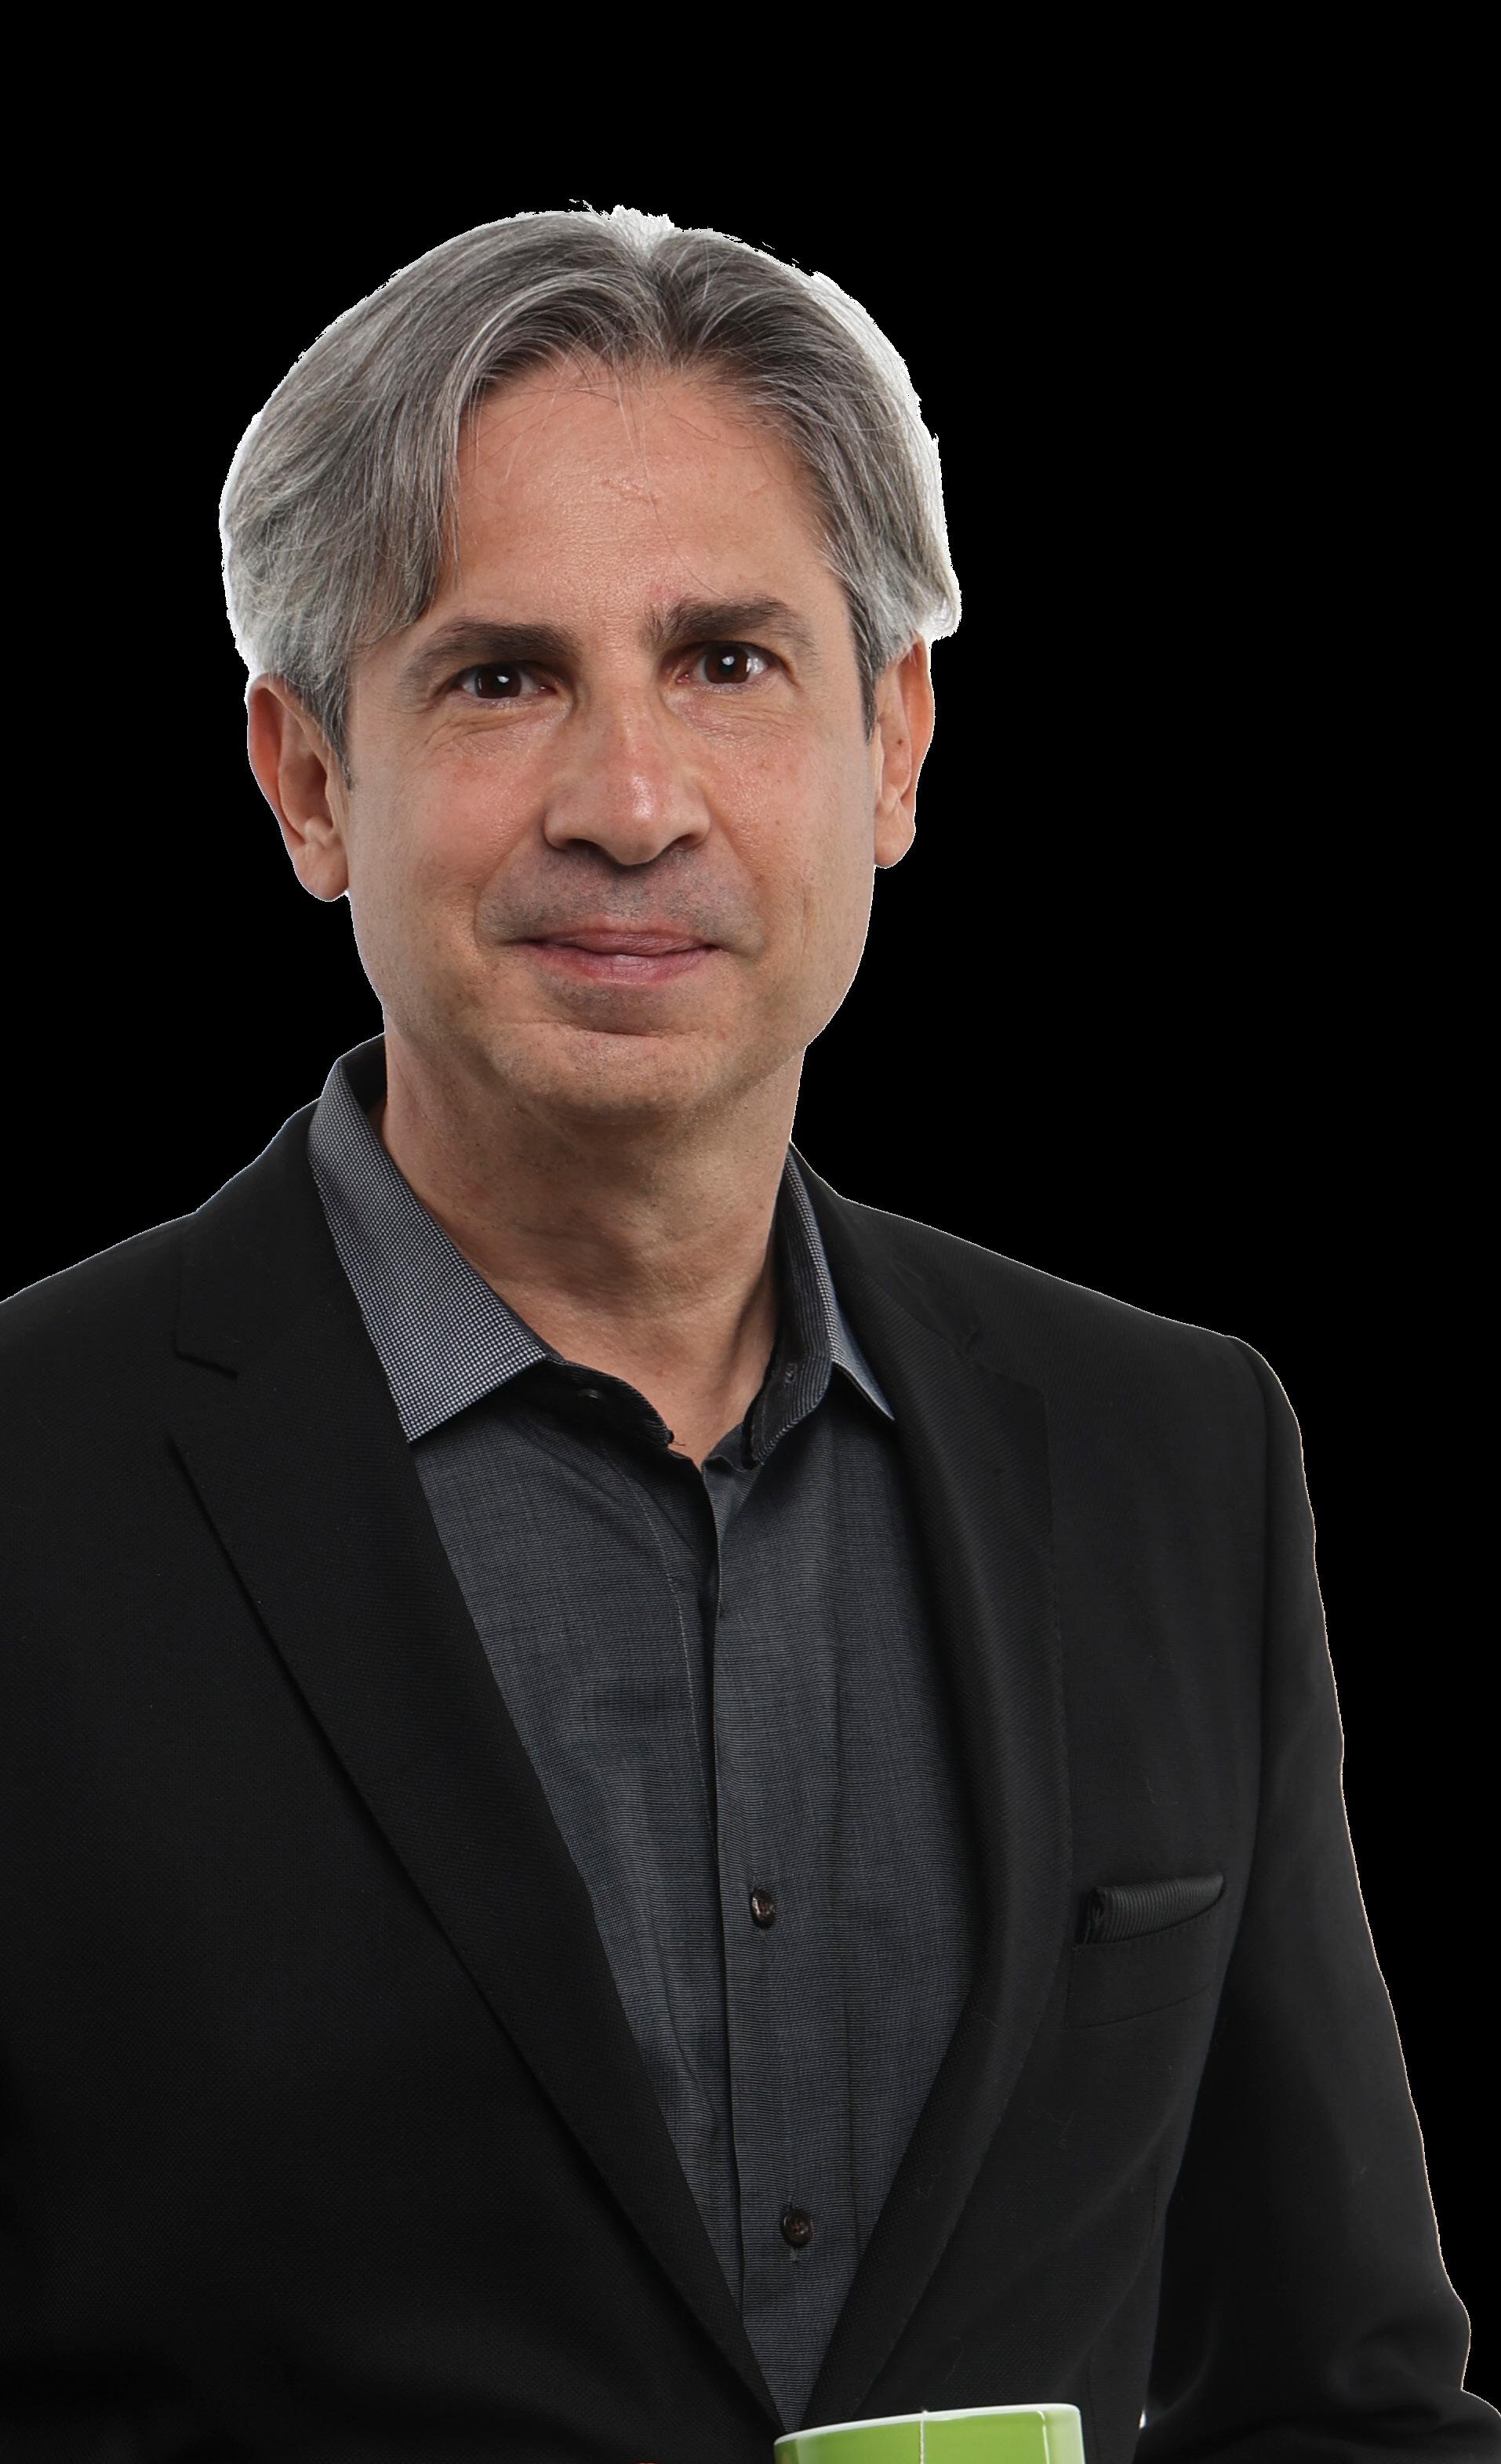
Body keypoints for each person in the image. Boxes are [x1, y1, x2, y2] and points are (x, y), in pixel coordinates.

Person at [2, 207, 1493, 2464]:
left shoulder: (1172, 1452)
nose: (631, 803)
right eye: (500, 678)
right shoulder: (21, 1488)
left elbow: (1339, 2400)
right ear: (308, 781)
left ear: (890, 743)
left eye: (725, 661)